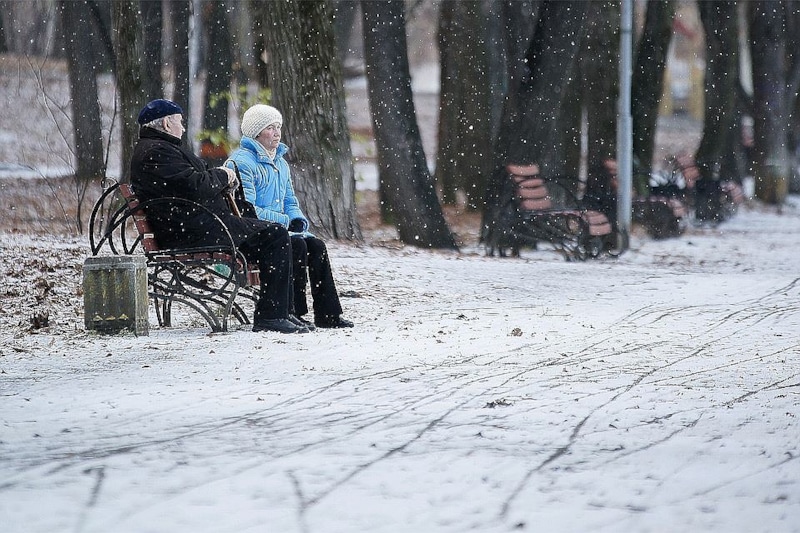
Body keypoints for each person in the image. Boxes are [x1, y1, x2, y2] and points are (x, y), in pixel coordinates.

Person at [129, 98, 309, 334]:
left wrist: (221, 181)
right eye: (180, 122)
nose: (183, 128)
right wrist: (224, 175)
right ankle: (271, 316)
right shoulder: (157, 152)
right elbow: (194, 185)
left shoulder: (161, 149)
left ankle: (284, 313)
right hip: (191, 231)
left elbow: (192, 183)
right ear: (165, 124)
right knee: (274, 234)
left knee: (284, 237)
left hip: (199, 224)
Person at [226, 104, 353, 329]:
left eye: (279, 127)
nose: (277, 133)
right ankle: (294, 311)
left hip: (278, 231)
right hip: (254, 234)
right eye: (270, 128)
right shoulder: (242, 162)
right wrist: (286, 222)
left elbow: (290, 200)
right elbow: (248, 210)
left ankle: (328, 314)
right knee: (297, 246)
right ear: (256, 132)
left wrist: (297, 220)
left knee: (316, 246)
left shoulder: (280, 163)